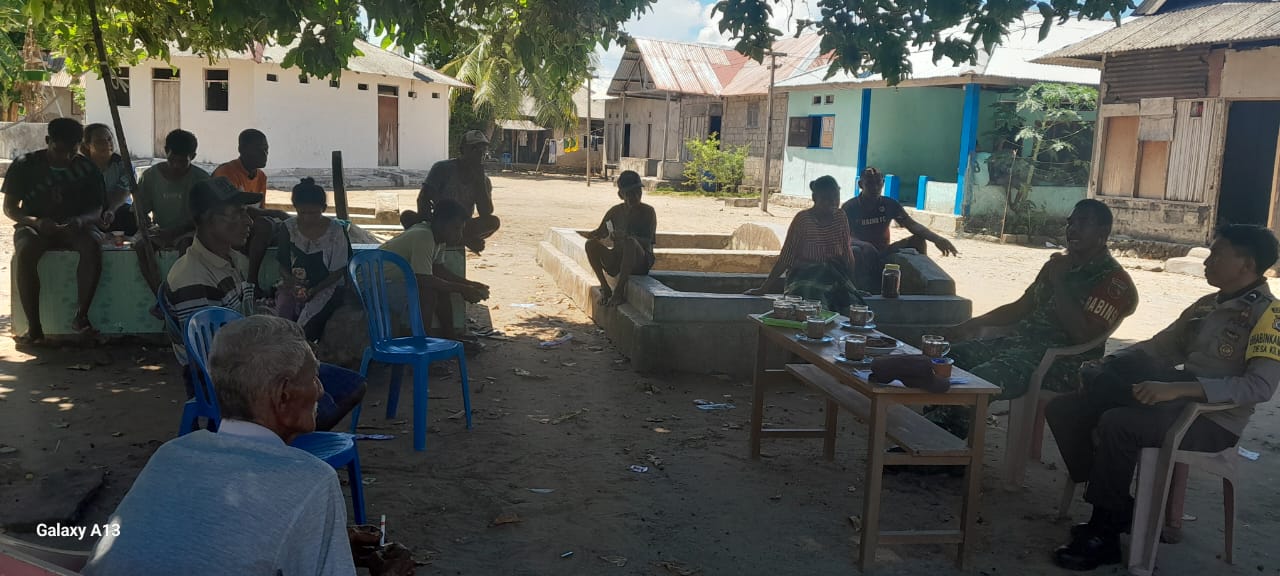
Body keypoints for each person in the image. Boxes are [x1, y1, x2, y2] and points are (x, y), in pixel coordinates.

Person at [82, 315, 411, 576]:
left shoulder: (172, 453)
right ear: (283, 395)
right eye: (313, 378)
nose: (321, 391)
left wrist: (327, 541)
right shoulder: (313, 480)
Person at [1045, 225, 1280, 571]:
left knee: (1117, 423)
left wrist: (1181, 389)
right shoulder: (1206, 305)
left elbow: (1258, 387)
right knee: (1066, 408)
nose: (1207, 260)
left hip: (1211, 419)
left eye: (1217, 253)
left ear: (1246, 263)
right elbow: (1160, 347)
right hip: (1174, 400)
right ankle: (1121, 509)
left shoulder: (1269, 316)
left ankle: (1104, 533)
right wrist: (1110, 360)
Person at [164, 177, 364, 431]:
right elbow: (213, 361)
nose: (247, 222)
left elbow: (242, 318)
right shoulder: (191, 278)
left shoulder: (232, 260)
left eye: (245, 213)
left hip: (249, 364)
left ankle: (286, 439)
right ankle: (279, 442)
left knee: (351, 386)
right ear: (206, 218)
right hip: (227, 381)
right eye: (236, 215)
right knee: (317, 401)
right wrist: (282, 362)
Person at [925, 199, 1138, 437]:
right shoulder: (1058, 266)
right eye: (1070, 223)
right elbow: (1020, 308)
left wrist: (1060, 283)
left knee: (980, 381)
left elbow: (1083, 335)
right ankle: (928, 436)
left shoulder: (1112, 282)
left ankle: (943, 452)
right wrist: (967, 326)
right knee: (946, 361)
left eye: (1082, 223)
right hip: (1019, 346)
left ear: (1103, 231)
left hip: (1060, 363)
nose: (1072, 229)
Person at [4, 118, 107, 342]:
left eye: (72, 151)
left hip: (75, 227)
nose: (66, 158)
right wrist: (34, 222)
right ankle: (34, 328)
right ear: (47, 140)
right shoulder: (24, 164)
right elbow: (10, 208)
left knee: (92, 245)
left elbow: (97, 208)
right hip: (36, 227)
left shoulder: (87, 167)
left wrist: (80, 220)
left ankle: (81, 317)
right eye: (59, 150)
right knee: (26, 249)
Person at [745, 175, 862, 312]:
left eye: (835, 198)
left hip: (833, 274)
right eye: (825, 199)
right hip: (804, 275)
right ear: (815, 199)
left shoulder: (841, 217)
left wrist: (854, 288)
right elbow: (785, 257)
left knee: (854, 306)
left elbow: (847, 254)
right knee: (813, 300)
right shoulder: (803, 220)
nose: (832, 203)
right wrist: (763, 288)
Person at [381, 199, 490, 344]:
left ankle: (450, 339)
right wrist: (463, 289)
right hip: (373, 286)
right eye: (456, 228)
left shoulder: (438, 238)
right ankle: (421, 344)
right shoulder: (423, 236)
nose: (459, 235)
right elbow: (423, 278)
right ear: (441, 223)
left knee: (441, 288)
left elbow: (438, 270)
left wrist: (470, 285)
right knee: (429, 292)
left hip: (390, 283)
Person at [842, 167, 959, 291]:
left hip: (885, 251)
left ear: (883, 183)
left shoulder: (889, 204)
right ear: (861, 184)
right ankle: (861, 290)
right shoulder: (850, 207)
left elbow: (912, 225)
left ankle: (919, 286)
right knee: (855, 251)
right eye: (870, 183)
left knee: (918, 240)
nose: (875, 187)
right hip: (862, 254)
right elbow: (841, 237)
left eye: (878, 183)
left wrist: (937, 239)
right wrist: (863, 244)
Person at [134, 128, 209, 294]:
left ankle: (182, 293)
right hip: (161, 231)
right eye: (172, 160)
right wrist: (143, 220)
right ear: (166, 151)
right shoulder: (150, 176)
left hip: (189, 232)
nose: (176, 166)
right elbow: (141, 210)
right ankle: (159, 295)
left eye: (183, 162)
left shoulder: (202, 179)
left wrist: (175, 232)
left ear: (193, 157)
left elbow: (204, 216)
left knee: (187, 246)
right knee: (142, 246)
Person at [212, 128, 289, 291]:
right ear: (242, 149)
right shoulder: (226, 172)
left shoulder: (261, 176)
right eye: (259, 149)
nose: (264, 154)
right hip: (227, 227)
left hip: (248, 228)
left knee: (286, 230)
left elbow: (260, 208)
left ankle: (286, 282)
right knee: (266, 224)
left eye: (266, 149)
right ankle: (252, 282)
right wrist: (278, 213)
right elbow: (235, 209)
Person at [401, 129, 501, 253]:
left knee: (493, 222)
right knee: (407, 216)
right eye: (475, 149)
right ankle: (464, 240)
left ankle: (460, 238)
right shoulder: (442, 169)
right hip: (438, 222)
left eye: (483, 149)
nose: (479, 154)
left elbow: (486, 212)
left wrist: (479, 182)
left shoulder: (484, 181)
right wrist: (431, 222)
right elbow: (423, 198)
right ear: (463, 150)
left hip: (461, 226)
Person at [276, 177, 351, 341]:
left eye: (313, 213)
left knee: (308, 325)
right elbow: (282, 264)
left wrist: (313, 291)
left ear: (323, 208)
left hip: (327, 287)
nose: (307, 218)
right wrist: (293, 285)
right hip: (293, 286)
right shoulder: (288, 228)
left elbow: (338, 270)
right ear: (295, 208)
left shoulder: (336, 231)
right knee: (282, 319)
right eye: (302, 213)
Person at [585, 170, 657, 307]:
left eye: (638, 191)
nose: (635, 196)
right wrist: (593, 235)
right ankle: (605, 287)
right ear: (621, 195)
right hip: (618, 258)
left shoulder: (648, 212)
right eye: (630, 193)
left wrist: (627, 237)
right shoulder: (615, 212)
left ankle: (619, 292)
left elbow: (648, 241)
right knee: (590, 245)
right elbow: (601, 232)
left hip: (640, 261)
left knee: (630, 242)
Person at [80, 123, 136, 237]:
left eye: (109, 139)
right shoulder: (80, 167)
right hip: (90, 211)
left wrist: (111, 210)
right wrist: (95, 214)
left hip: (117, 209)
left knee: (131, 216)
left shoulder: (123, 164)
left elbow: (122, 192)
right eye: (100, 141)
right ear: (87, 144)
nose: (107, 144)